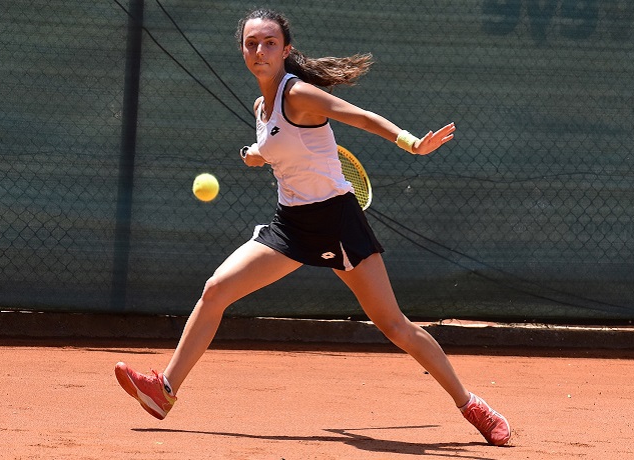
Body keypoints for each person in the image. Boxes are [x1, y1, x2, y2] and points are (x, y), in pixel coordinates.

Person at [115, 8, 511, 447]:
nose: (259, 51)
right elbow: (282, 147)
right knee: (215, 290)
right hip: (291, 225)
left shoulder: (299, 95)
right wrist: (257, 154)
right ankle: (164, 392)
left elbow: (357, 116)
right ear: (242, 50)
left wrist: (411, 142)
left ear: (285, 50)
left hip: (337, 221)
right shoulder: (261, 106)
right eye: (251, 43)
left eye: (269, 43)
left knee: (394, 326)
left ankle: (470, 403)